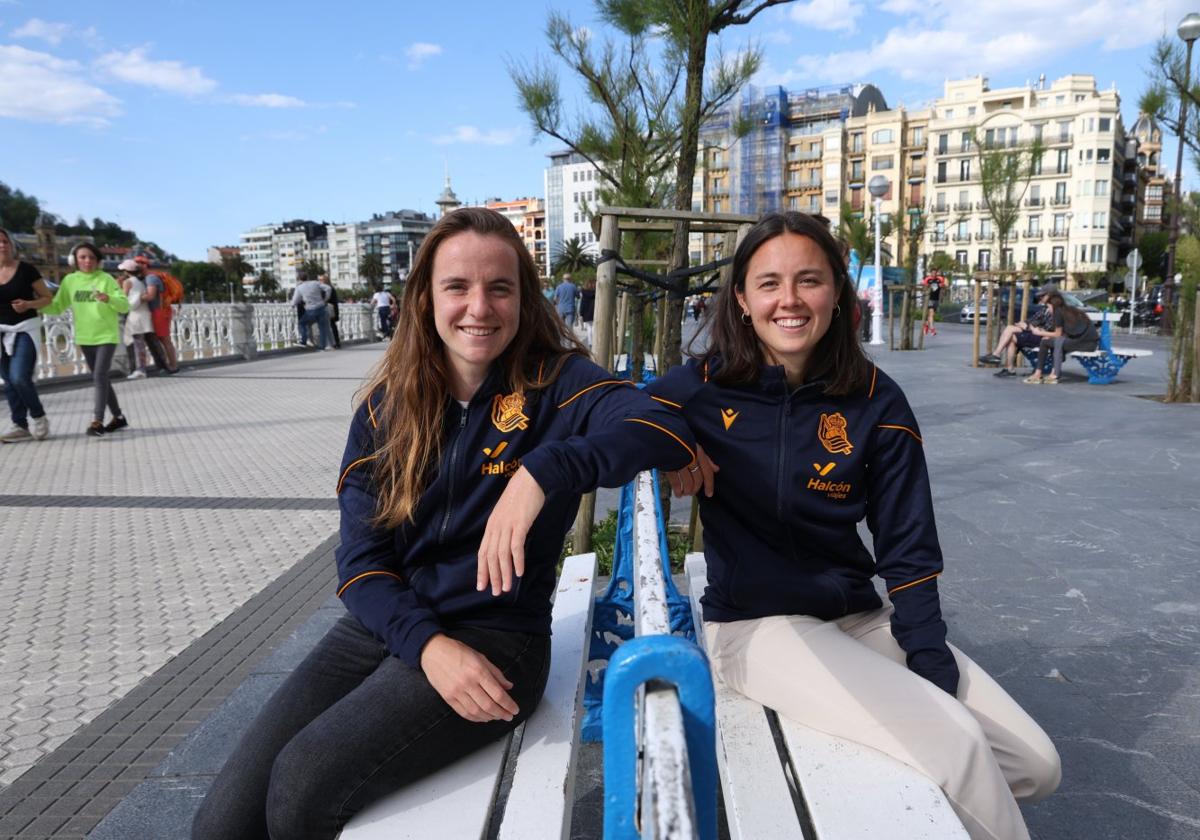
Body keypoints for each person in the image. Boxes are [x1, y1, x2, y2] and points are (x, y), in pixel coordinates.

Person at [191, 207, 696, 840]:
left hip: (496, 638)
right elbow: (361, 563)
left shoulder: (556, 382)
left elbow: (661, 426)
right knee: (221, 823)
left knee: (302, 785)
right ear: (425, 298)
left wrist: (542, 469)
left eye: (500, 288)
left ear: (524, 298)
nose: (479, 308)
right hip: (386, 628)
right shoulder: (387, 407)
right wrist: (428, 645)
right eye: (457, 286)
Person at [646, 211, 1060, 840]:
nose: (789, 299)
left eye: (809, 280)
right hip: (756, 626)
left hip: (855, 615)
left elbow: (907, 542)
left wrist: (929, 660)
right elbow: (617, 411)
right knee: (960, 749)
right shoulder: (705, 386)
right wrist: (671, 437)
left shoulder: (875, 398)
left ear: (837, 293)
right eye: (769, 283)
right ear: (742, 299)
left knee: (1035, 765)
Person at [43, 243, 130, 436]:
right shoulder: (70, 281)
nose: (87, 261)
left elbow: (124, 306)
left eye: (91, 257)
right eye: (82, 257)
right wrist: (34, 306)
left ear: (98, 261)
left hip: (106, 335)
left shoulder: (106, 279)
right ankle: (118, 417)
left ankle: (97, 421)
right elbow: (57, 306)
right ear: (74, 260)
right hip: (85, 337)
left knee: (99, 376)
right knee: (102, 378)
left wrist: (109, 298)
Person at [0, 228, 53, 442]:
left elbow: (47, 297)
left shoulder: (26, 270)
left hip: (24, 328)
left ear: (11, 244)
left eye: (5, 241)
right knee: (8, 381)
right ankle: (19, 425)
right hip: (1, 332)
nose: (2, 245)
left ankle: (39, 417)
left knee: (19, 377)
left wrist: (28, 304)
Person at [979, 285, 1057, 377]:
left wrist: (1028, 327)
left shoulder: (1057, 311)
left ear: (1050, 296)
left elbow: (1047, 329)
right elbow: (1032, 320)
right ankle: (1008, 368)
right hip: (1035, 333)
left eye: (1043, 295)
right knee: (1011, 334)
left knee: (1011, 332)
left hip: (1044, 337)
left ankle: (997, 355)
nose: (1040, 298)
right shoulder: (1045, 309)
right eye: (1040, 296)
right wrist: (1024, 324)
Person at [1025, 291, 1099, 385]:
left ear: (1052, 305)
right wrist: (1048, 334)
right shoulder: (1069, 310)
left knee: (1048, 342)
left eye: (1048, 307)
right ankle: (1048, 373)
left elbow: (1058, 334)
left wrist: (1039, 333)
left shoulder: (1058, 312)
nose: (1048, 310)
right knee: (1051, 341)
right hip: (1090, 343)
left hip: (1083, 344)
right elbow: (1069, 331)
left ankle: (1042, 374)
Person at [116, 259, 172, 377]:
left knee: (138, 344)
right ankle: (163, 367)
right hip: (146, 315)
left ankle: (140, 370)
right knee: (153, 343)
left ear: (126, 271)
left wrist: (118, 287)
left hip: (135, 316)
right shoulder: (141, 281)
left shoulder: (127, 282)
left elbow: (123, 299)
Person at [139, 256, 180, 373]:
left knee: (165, 340)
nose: (136, 266)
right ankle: (166, 365)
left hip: (159, 311)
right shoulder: (147, 278)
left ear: (144, 265)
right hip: (158, 311)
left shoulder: (151, 278)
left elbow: (151, 296)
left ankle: (173, 366)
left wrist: (134, 297)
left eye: (138, 264)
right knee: (160, 340)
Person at [291, 273, 333, 350]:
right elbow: (328, 288)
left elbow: (295, 300)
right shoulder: (315, 283)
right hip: (321, 307)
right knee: (322, 327)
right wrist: (326, 299)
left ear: (299, 279)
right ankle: (322, 346)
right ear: (308, 277)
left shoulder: (299, 287)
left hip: (311, 309)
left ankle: (303, 341)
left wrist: (293, 305)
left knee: (302, 323)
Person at [320, 274, 342, 349]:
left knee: (331, 326)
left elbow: (326, 299)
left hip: (329, 309)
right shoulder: (331, 288)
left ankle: (333, 342)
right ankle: (336, 342)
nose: (319, 282)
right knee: (332, 326)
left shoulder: (327, 289)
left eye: (321, 280)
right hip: (332, 309)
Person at [578, 278, 596, 347]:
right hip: (594, 310)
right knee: (594, 327)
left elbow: (582, 303)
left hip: (586, 311)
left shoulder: (584, 293)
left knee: (589, 327)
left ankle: (590, 342)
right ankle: (594, 341)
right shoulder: (596, 292)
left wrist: (581, 312)